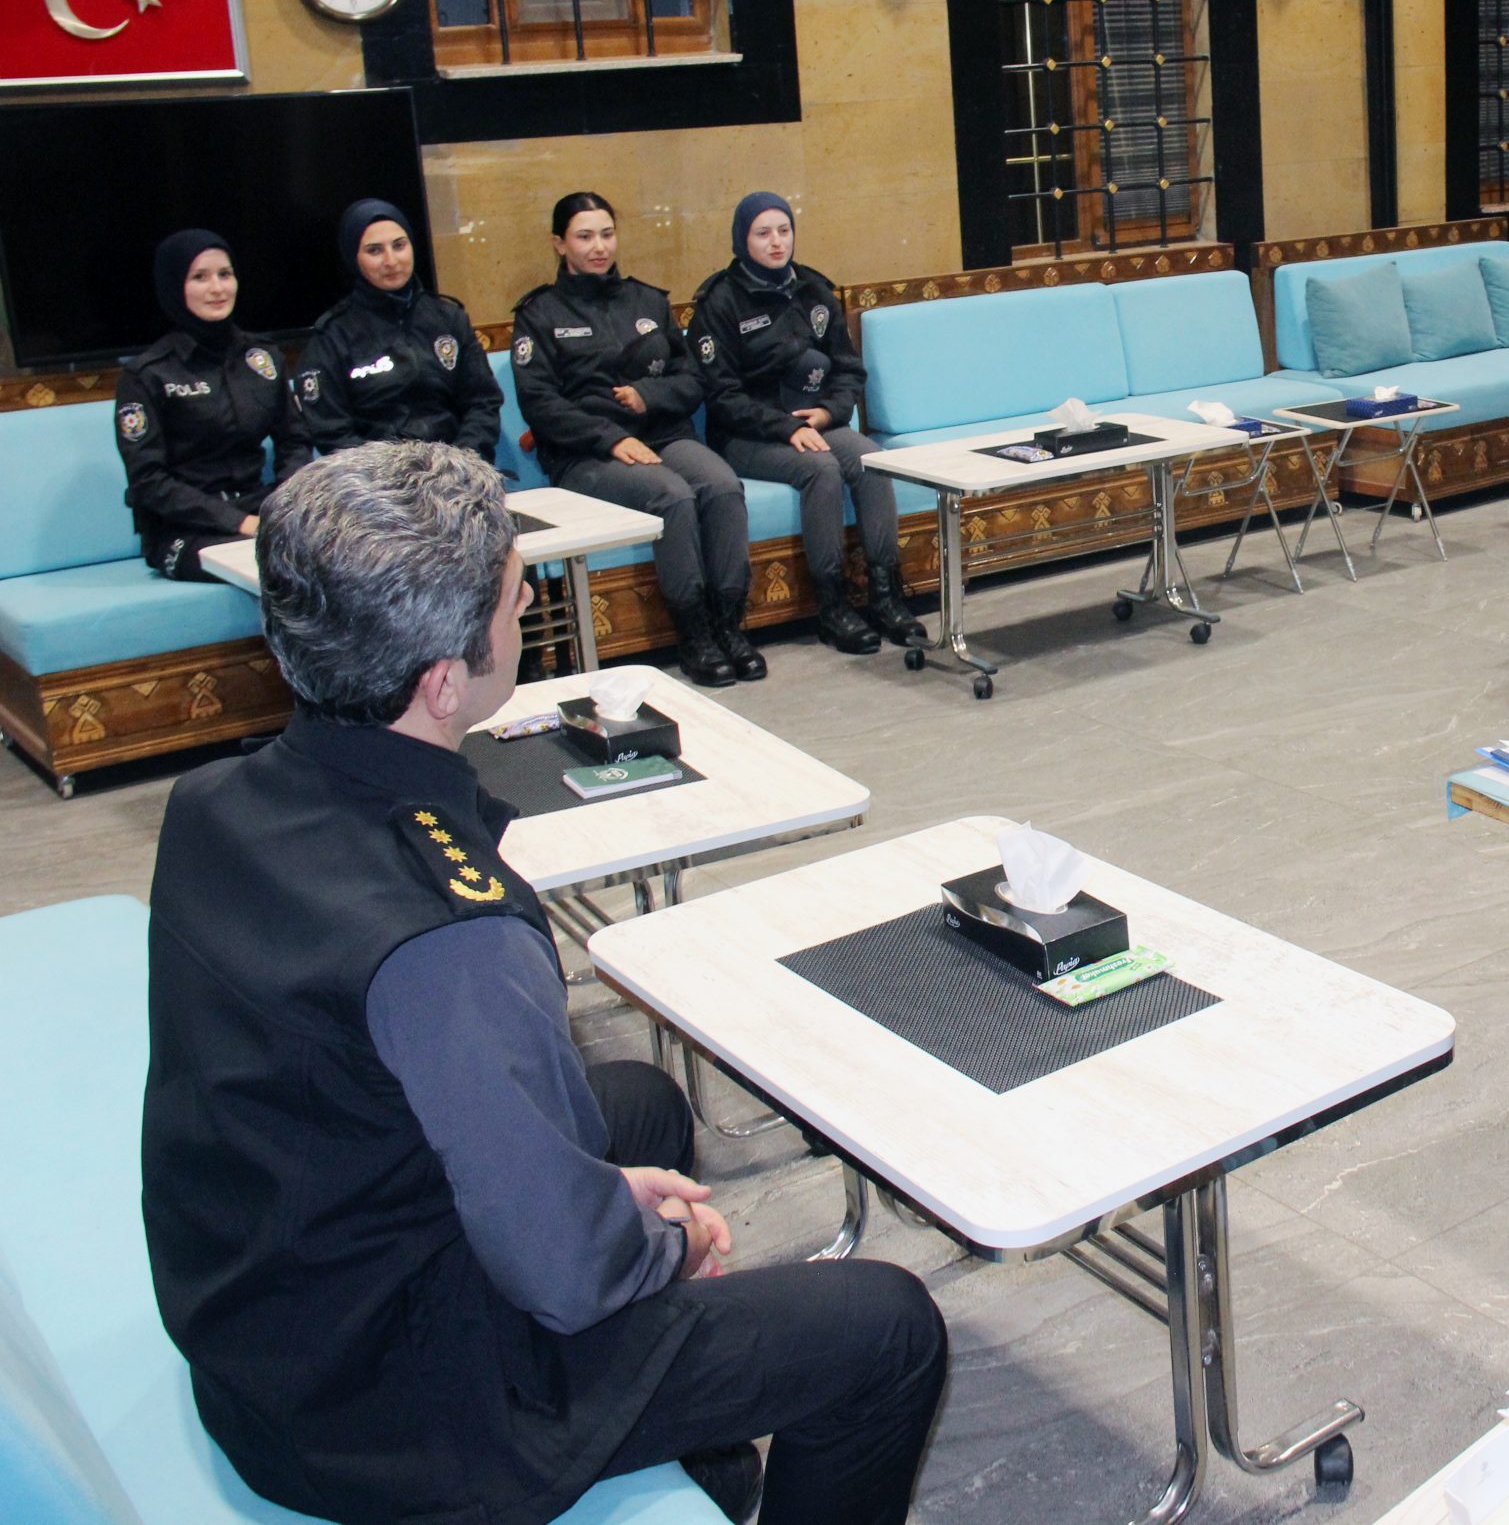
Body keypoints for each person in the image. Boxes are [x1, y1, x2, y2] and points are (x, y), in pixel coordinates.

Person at [139, 441, 948, 1525]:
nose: (526, 614)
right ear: (442, 682)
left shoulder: (213, 801)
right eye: (516, 603)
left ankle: (693, 1462)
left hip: (272, 1316)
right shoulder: (447, 937)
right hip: (383, 1416)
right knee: (887, 1331)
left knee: (641, 1105)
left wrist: (599, 1204)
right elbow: (567, 1271)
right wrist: (665, 1245)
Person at [512, 192, 762, 687]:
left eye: (607, 234)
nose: (599, 247)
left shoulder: (648, 300)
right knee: (671, 495)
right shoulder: (540, 314)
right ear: (560, 244)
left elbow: (692, 379)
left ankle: (729, 625)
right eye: (585, 237)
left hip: (662, 434)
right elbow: (540, 403)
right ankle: (694, 634)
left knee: (722, 485)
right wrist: (608, 438)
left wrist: (650, 395)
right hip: (587, 454)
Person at [691, 192, 926, 657]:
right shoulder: (719, 302)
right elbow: (721, 395)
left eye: (784, 231)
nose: (776, 242)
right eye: (763, 233)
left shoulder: (814, 290)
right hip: (749, 435)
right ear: (742, 239)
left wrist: (828, 413)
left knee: (872, 461)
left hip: (816, 421)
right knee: (821, 469)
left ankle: (885, 596)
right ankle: (833, 605)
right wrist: (786, 428)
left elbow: (849, 370)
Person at [112, 229, 311, 581]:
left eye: (225, 274)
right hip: (183, 529)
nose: (217, 288)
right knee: (274, 566)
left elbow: (294, 440)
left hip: (259, 509)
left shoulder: (263, 357)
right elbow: (148, 481)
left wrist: (284, 504)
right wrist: (239, 522)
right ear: (175, 286)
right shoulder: (147, 374)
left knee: (339, 555)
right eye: (200, 277)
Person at [295, 198, 504, 461]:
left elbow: (482, 402)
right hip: (375, 478)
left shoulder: (449, 318)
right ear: (353, 258)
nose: (391, 260)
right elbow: (332, 432)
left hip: (458, 468)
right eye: (374, 251)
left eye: (399, 245)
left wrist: (461, 461)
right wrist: (394, 475)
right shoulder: (332, 337)